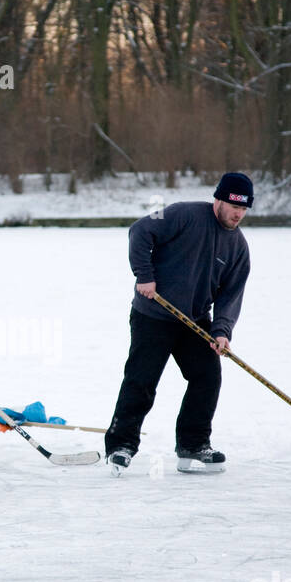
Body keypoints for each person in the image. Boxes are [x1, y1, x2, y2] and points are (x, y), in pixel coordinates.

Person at [105, 172, 253, 475]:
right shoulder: (182, 213)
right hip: (153, 314)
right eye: (233, 206)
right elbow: (139, 231)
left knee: (207, 376)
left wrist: (222, 331)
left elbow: (230, 296)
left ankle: (193, 446)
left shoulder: (238, 248)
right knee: (141, 380)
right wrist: (144, 275)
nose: (238, 214)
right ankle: (121, 446)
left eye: (244, 209)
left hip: (194, 321)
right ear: (219, 200)